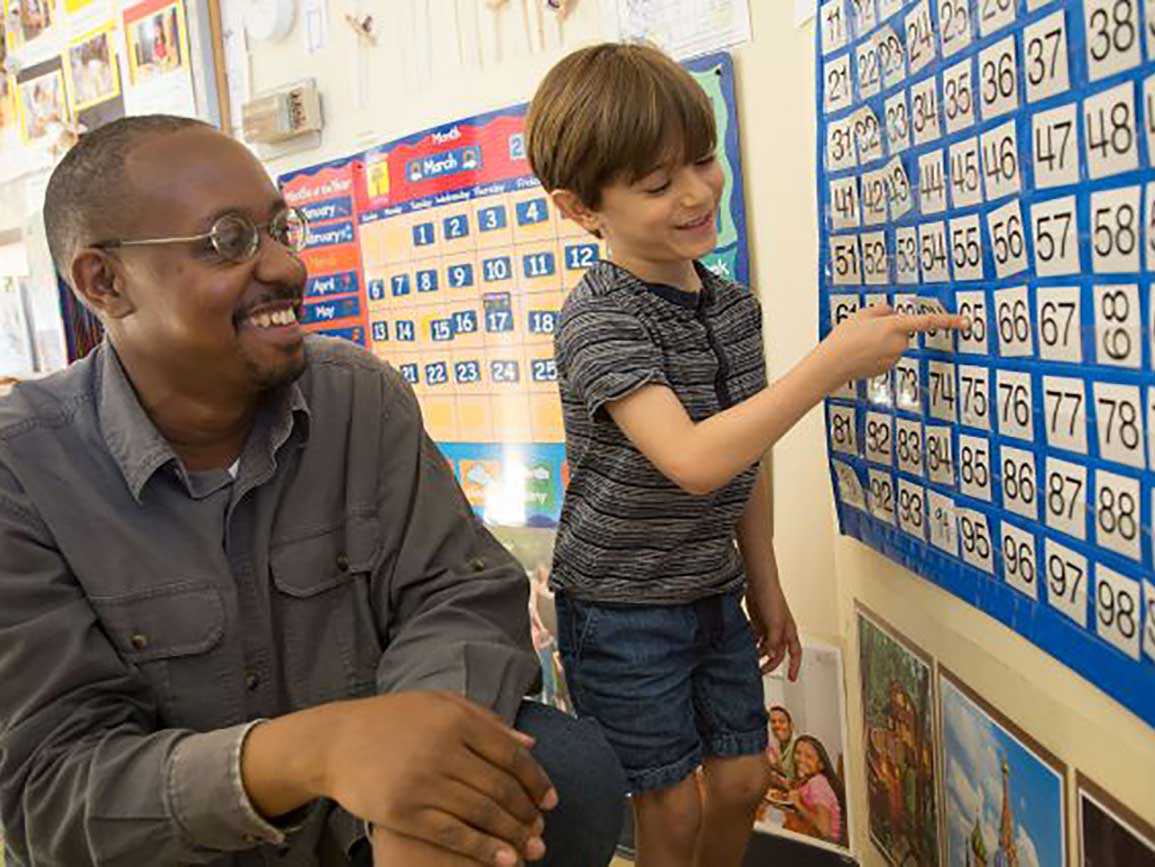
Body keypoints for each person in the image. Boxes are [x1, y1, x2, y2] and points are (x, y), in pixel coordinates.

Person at [0, 114, 626, 867]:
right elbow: (54, 786)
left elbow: (456, 595)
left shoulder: (357, 398)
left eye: (279, 228)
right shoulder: (23, 471)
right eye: (230, 239)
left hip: (353, 835)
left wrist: (415, 781)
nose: (286, 267)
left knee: (563, 768)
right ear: (105, 281)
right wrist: (313, 750)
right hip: (172, 851)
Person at [524, 42, 961, 867]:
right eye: (657, 185)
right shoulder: (598, 318)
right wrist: (829, 364)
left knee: (739, 779)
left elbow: (745, 449)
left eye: (703, 160)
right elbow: (692, 457)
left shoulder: (730, 308)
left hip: (708, 589)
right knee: (672, 801)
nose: (695, 193)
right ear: (582, 208)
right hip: (620, 606)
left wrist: (760, 575)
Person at [784, 736, 845, 845]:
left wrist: (798, 804)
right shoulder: (809, 780)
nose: (801, 759)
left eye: (809, 756)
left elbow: (824, 830)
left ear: (821, 765)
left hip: (825, 847)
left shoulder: (817, 783)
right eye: (798, 753)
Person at [767, 706, 798, 787]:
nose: (777, 725)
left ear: (791, 725)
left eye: (782, 721)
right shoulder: (775, 745)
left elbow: (797, 783)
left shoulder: (798, 746)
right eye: (773, 722)